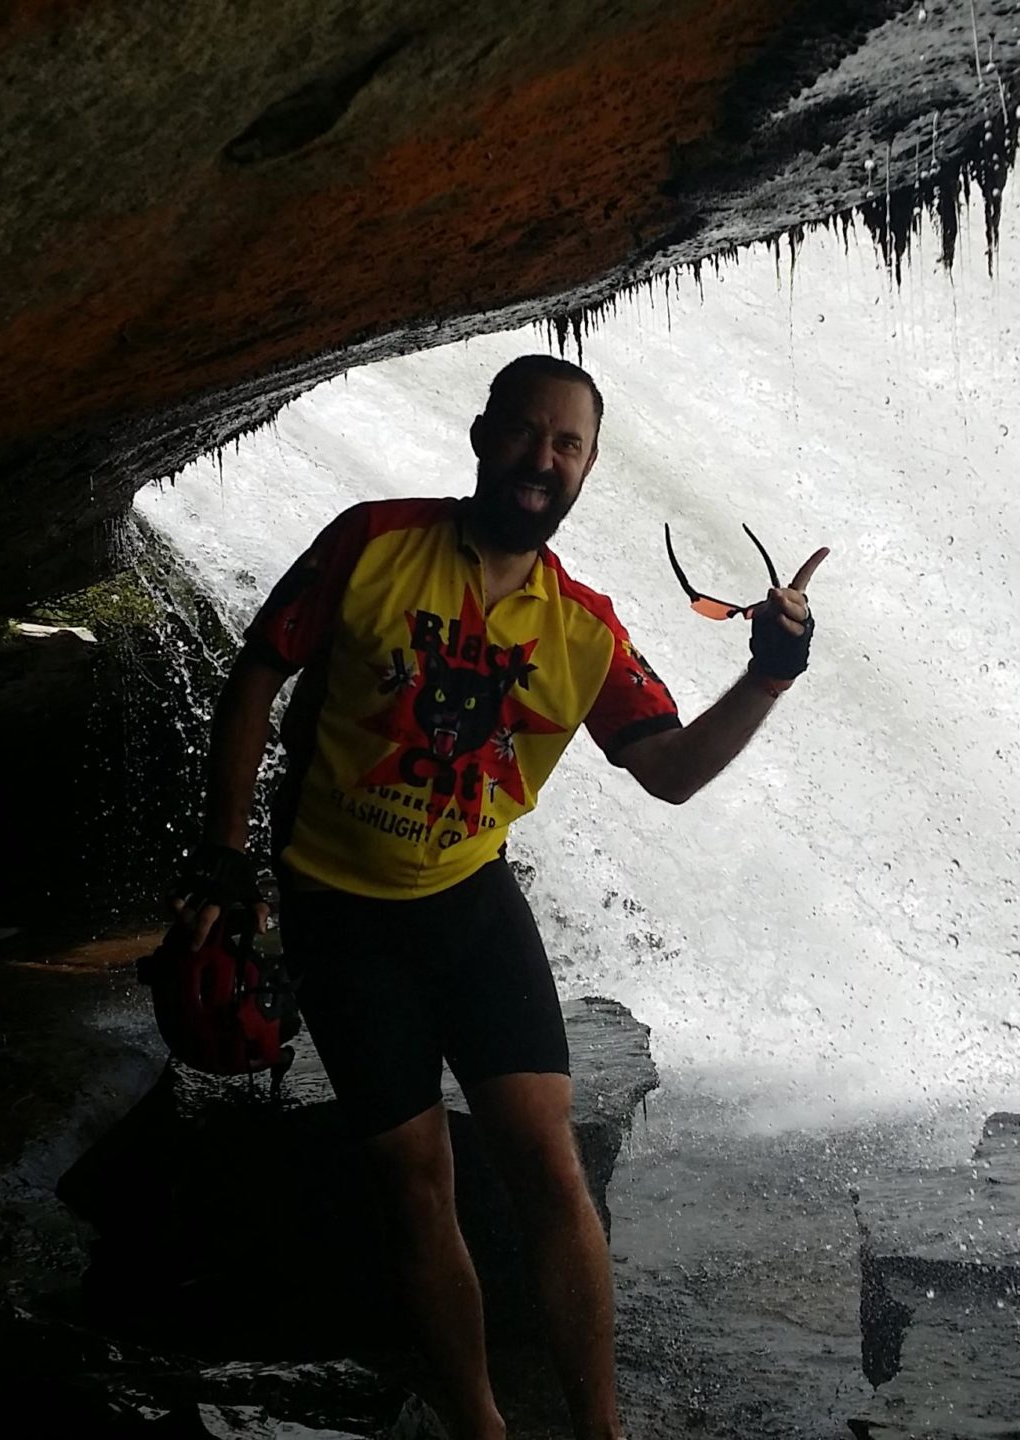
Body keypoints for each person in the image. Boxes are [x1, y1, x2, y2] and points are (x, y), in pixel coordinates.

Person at [170, 354, 825, 1440]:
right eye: (525, 432)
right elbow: (256, 676)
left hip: (471, 908)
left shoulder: (584, 629)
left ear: (588, 468)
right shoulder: (370, 541)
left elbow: (666, 771)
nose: (543, 459)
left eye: (567, 444)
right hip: (338, 911)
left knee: (548, 1163)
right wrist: (224, 859)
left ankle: (598, 1430)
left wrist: (767, 674)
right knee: (415, 1180)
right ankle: (480, 1426)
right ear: (482, 437)